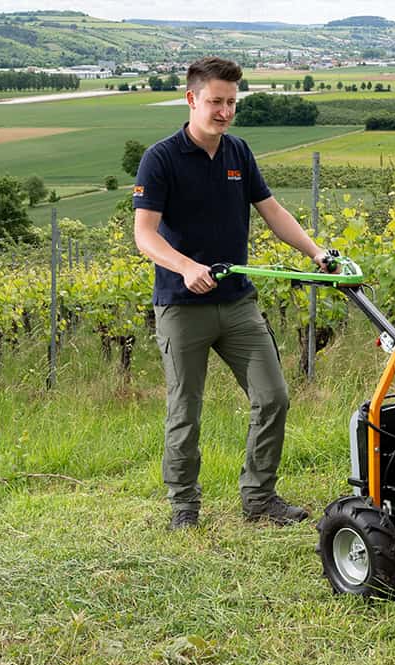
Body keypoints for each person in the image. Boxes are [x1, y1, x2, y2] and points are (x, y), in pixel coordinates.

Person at [131, 56, 332, 530]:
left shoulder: (238, 153)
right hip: (182, 307)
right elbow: (145, 235)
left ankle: (259, 499)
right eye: (216, 102)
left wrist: (317, 252)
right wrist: (185, 267)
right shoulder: (161, 159)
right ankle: (185, 506)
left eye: (231, 103)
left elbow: (273, 210)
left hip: (238, 303)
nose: (224, 111)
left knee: (273, 397)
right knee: (185, 410)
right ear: (192, 99)